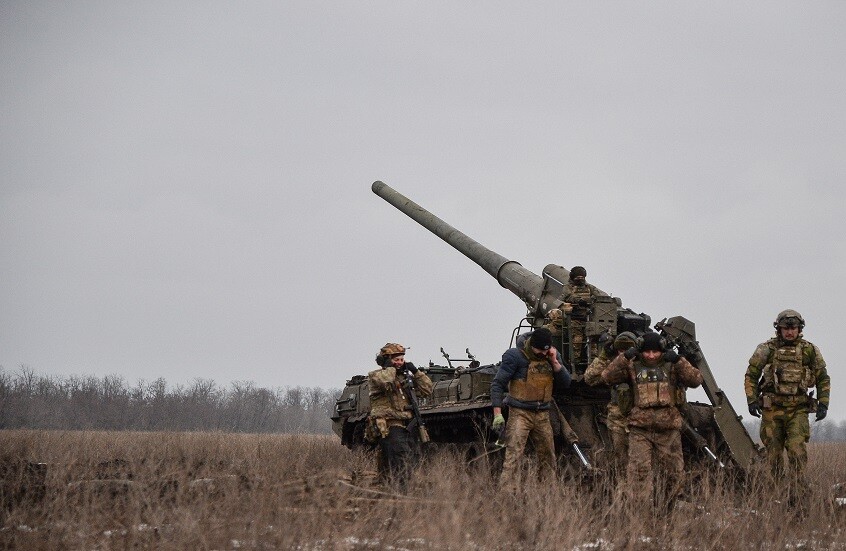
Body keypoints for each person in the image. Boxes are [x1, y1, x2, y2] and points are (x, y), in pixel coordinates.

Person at [601, 332, 702, 510]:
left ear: (662, 350)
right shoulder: (632, 366)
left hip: (668, 429)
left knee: (674, 475)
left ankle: (665, 510)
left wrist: (679, 360)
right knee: (638, 473)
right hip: (640, 429)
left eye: (655, 352)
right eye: (647, 352)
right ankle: (639, 514)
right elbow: (607, 376)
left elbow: (695, 380)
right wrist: (624, 357)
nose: (651, 356)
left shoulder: (672, 365)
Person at [744, 310, 830, 505]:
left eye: (793, 328)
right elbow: (751, 375)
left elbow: (823, 377)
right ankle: (775, 497)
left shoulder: (809, 350)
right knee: (773, 455)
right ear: (779, 329)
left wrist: (824, 402)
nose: (790, 332)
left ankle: (798, 497)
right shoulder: (767, 349)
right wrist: (751, 400)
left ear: (799, 329)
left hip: (798, 409)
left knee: (796, 451)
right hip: (772, 410)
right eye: (786, 328)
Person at [490, 327, 571, 488]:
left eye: (546, 350)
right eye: (540, 350)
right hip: (520, 413)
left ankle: (547, 493)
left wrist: (555, 362)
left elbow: (566, 383)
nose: (543, 354)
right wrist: (497, 414)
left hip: (542, 414)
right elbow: (497, 384)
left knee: (548, 458)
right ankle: (506, 494)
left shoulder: (552, 356)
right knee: (513, 457)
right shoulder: (515, 356)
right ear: (532, 345)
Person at [367, 342, 433, 490]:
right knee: (401, 459)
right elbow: (386, 380)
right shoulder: (376, 376)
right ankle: (401, 492)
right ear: (386, 360)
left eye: (402, 359)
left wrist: (416, 372)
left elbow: (427, 390)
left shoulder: (405, 378)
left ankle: (397, 489)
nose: (400, 363)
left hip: (407, 425)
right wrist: (390, 367)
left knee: (412, 458)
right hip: (389, 424)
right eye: (396, 359)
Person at [584, 331, 637, 478]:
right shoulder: (612, 364)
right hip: (618, 418)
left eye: (627, 350)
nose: (623, 353)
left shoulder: (642, 363)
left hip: (640, 417)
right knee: (620, 459)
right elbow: (590, 378)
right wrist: (603, 356)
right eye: (620, 350)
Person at [557, 266, 608, 370]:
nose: (580, 279)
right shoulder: (567, 288)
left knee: (593, 342)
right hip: (575, 319)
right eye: (578, 277)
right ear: (572, 277)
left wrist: (592, 300)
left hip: (589, 319)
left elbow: (600, 295)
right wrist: (577, 301)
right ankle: (575, 365)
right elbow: (563, 298)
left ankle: (593, 365)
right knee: (577, 342)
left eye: (582, 277)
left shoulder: (589, 288)